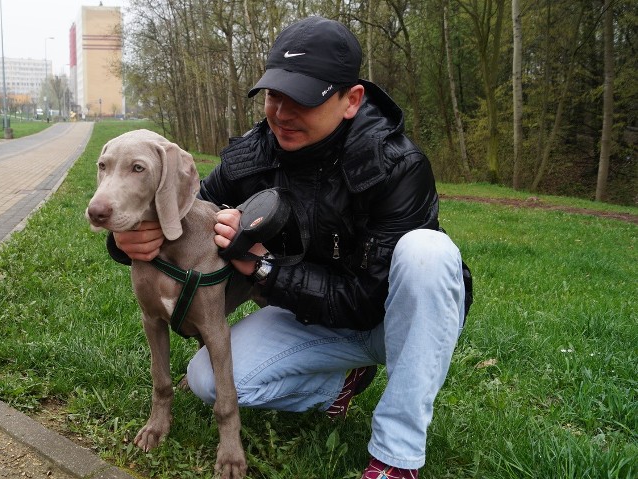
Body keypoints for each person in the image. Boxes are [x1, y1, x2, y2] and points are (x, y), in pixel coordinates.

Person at [112, 16, 472, 479]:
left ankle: (395, 456)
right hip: (313, 318)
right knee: (205, 381)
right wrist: (125, 240)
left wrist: (266, 272)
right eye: (273, 95)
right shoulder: (250, 157)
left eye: (303, 98)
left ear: (351, 100)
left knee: (429, 253)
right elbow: (183, 213)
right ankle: (339, 384)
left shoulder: (397, 166)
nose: (281, 112)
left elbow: (368, 299)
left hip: (396, 322)